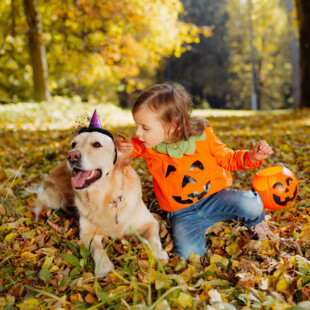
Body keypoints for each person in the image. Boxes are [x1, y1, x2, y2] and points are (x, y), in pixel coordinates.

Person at [115, 82, 275, 259]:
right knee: (189, 255)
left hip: (216, 198)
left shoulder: (203, 137)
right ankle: (201, 226)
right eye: (137, 126)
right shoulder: (147, 145)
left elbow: (227, 158)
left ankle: (256, 223)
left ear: (172, 126)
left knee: (252, 204)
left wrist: (252, 157)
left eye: (145, 128)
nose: (138, 133)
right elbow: (128, 150)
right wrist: (123, 148)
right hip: (183, 212)